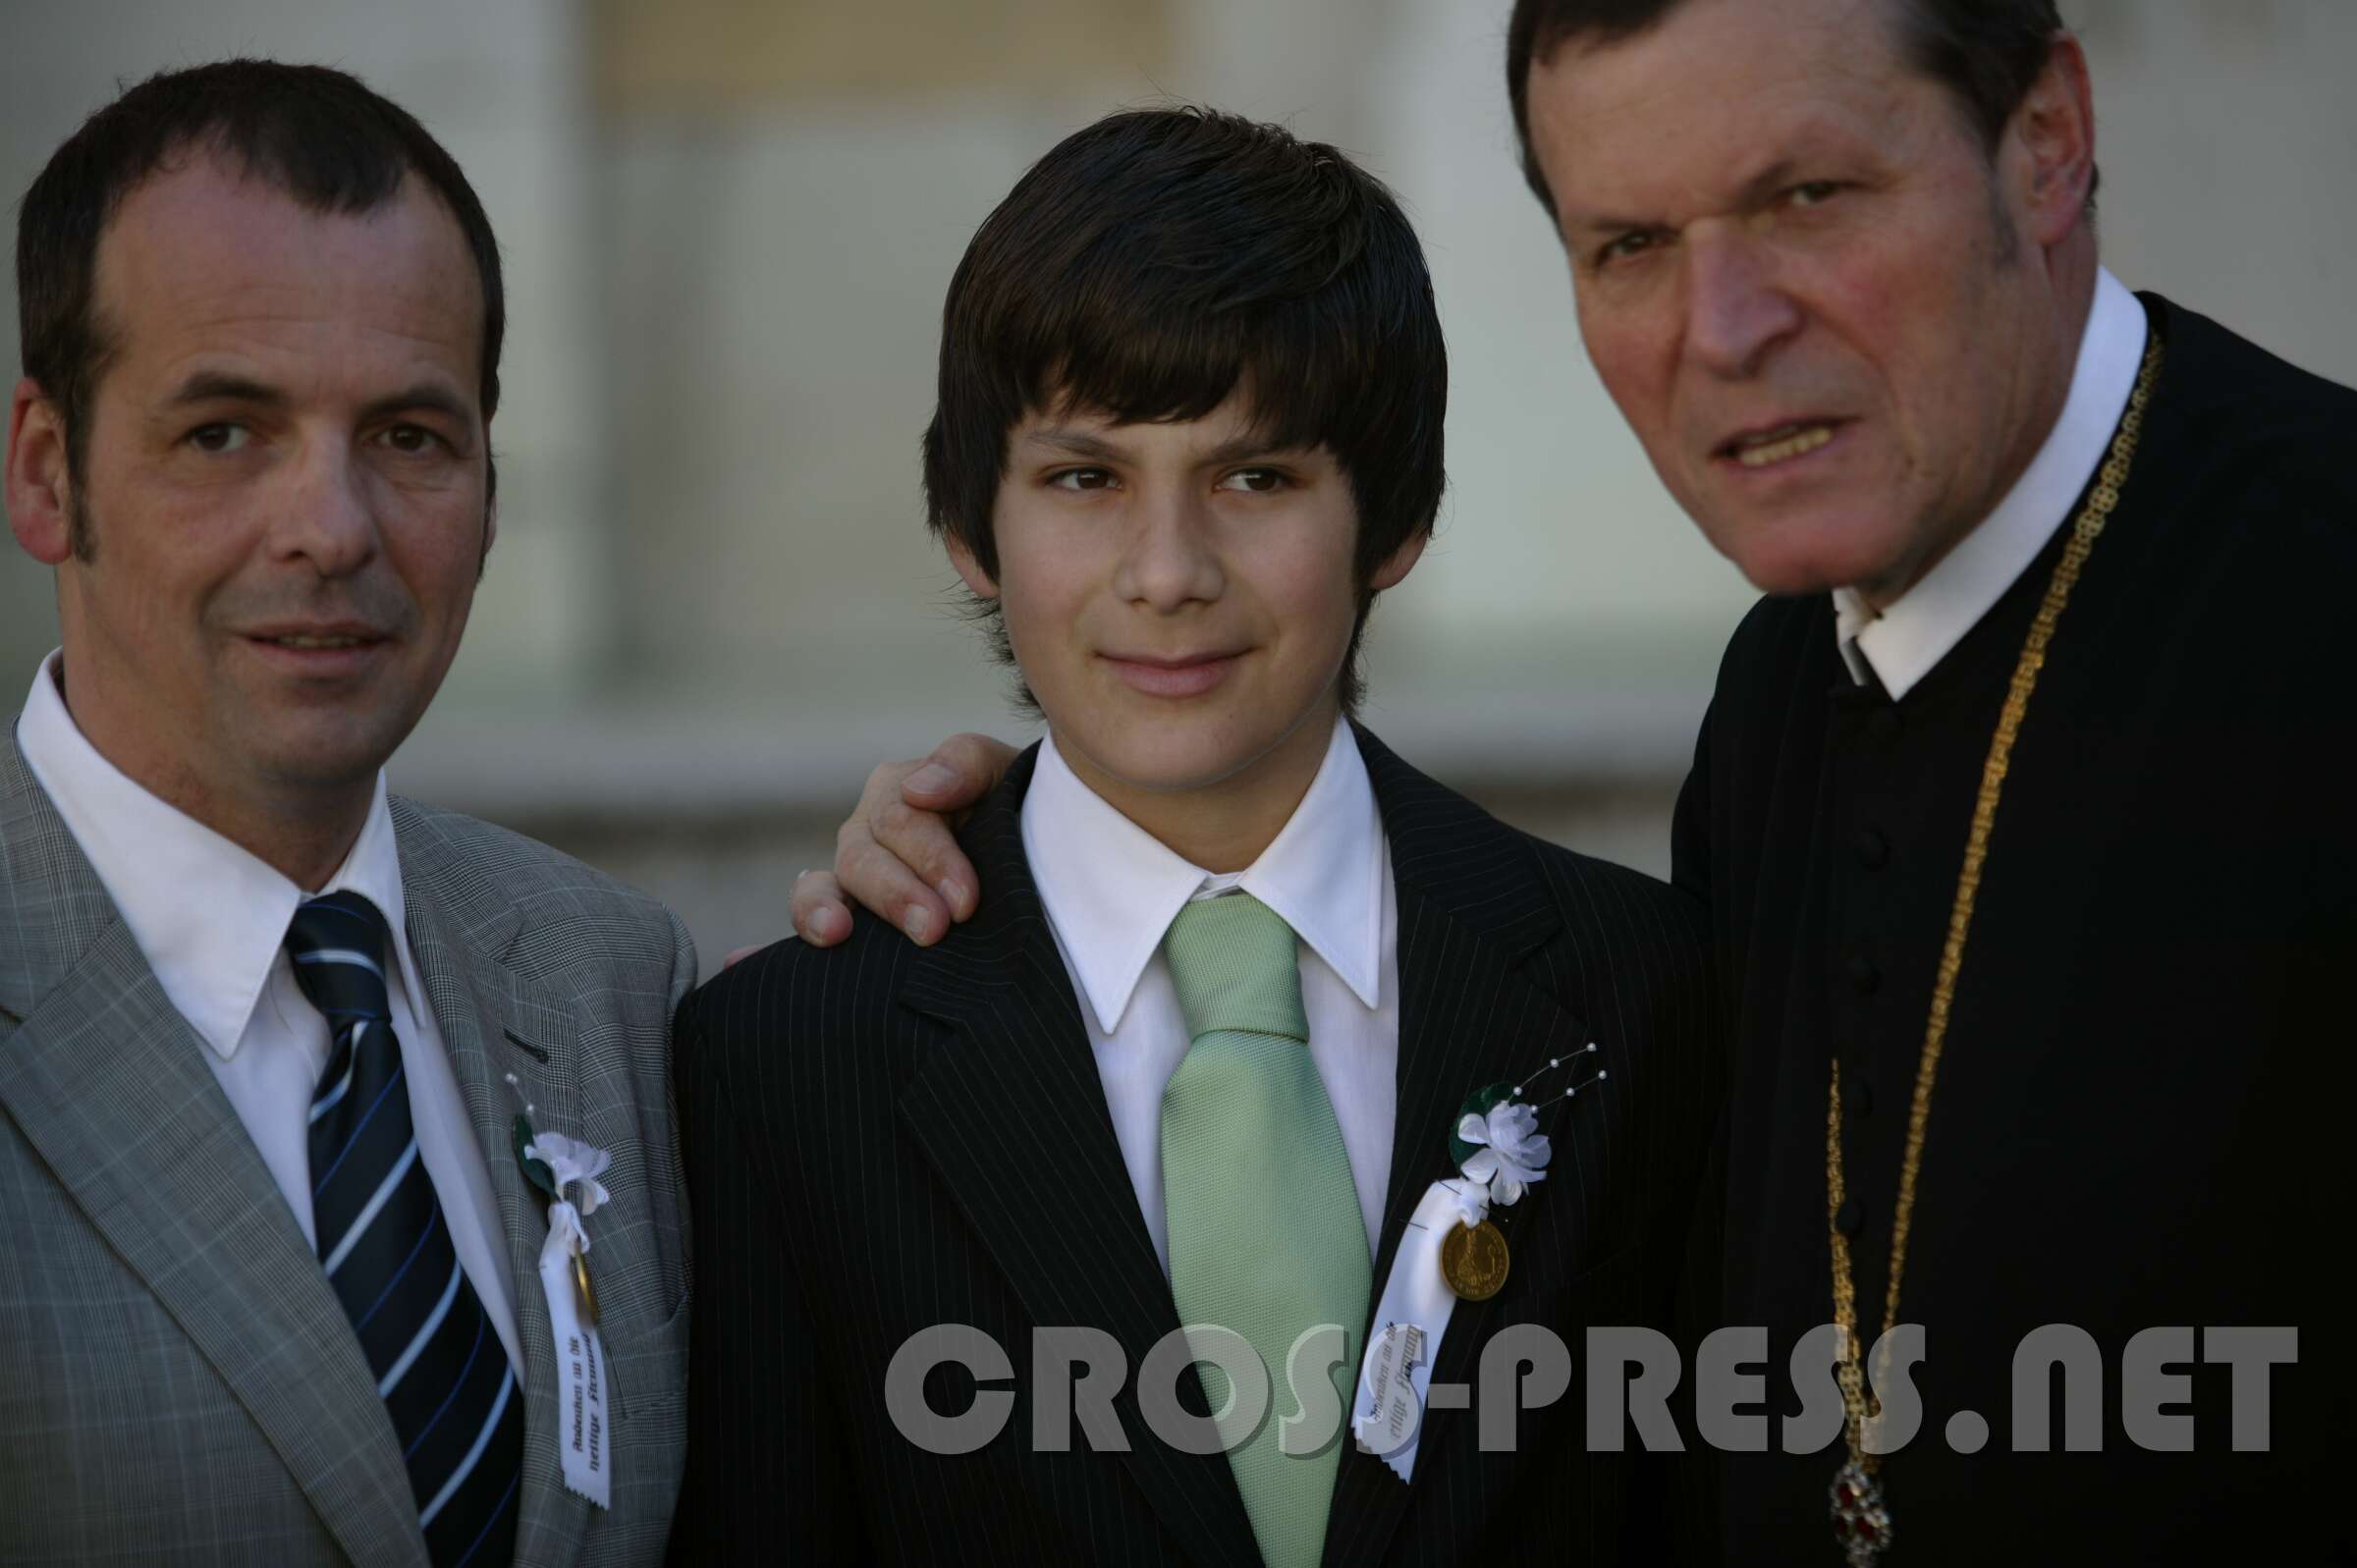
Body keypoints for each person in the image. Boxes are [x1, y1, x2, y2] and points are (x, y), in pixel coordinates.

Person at [794, 0, 2356, 1559]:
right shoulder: (1783, 695)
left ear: (2048, 142)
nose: (1722, 329)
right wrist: (1046, 846)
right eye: (1630, 245)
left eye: (1807, 197)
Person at [672, 107, 1720, 1566]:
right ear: (971, 529)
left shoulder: (1645, 988)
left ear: (1395, 522)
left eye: (1256, 477)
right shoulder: (780, 1062)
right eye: (1085, 478)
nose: (1167, 574)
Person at [2, 63, 692, 1565]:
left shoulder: (614, 977)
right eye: (224, 432)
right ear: (47, 473)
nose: (331, 526)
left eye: (409, 436)